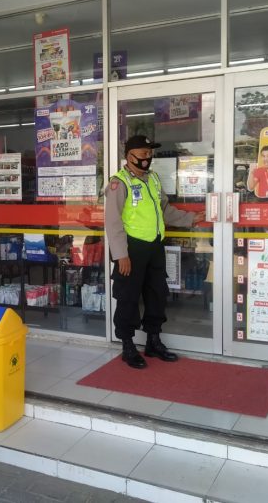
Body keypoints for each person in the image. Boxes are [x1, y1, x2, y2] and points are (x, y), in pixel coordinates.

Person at [104, 135, 204, 369]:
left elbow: (165, 210)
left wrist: (190, 218)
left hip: (154, 247)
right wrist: (121, 255)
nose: (147, 158)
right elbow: (113, 221)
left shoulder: (153, 179)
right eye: (142, 153)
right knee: (128, 297)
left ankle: (153, 340)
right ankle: (127, 345)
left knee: (157, 294)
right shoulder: (119, 183)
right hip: (131, 249)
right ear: (129, 156)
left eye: (149, 154)